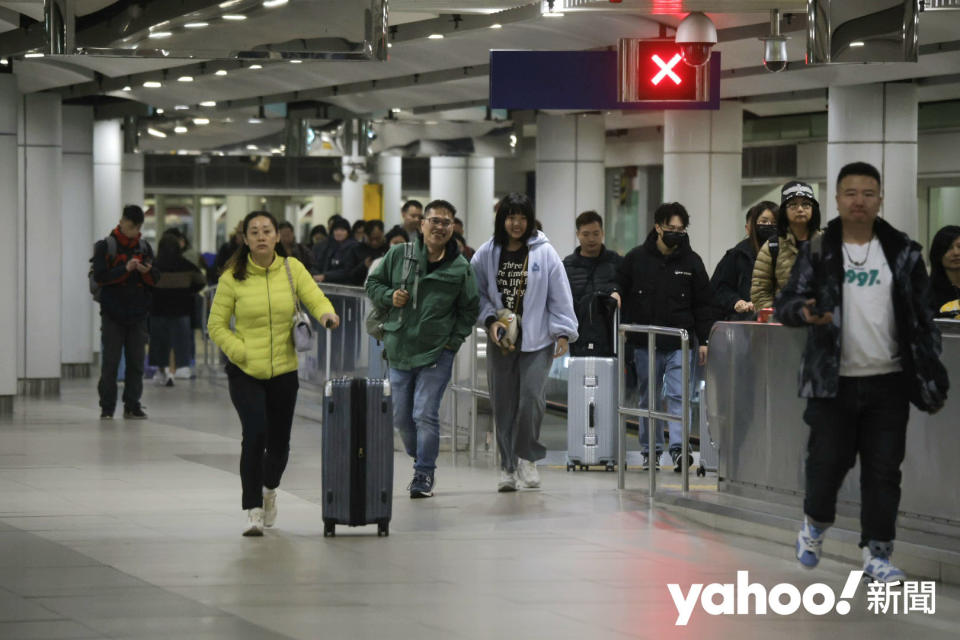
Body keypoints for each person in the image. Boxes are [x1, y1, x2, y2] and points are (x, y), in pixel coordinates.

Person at [776, 162, 949, 583]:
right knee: (827, 467)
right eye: (850, 193)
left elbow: (924, 315)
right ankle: (814, 526)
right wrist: (804, 311)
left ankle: (878, 555)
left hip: (889, 381)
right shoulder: (818, 251)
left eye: (868, 193)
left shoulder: (904, 252)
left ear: (880, 198)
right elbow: (786, 303)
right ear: (837, 200)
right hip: (831, 382)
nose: (859, 201)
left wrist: (928, 362)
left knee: (884, 471)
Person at [208, 210, 340, 537]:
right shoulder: (232, 277)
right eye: (254, 232)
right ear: (246, 239)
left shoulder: (292, 269)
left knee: (279, 442)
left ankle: (269, 491)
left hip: (284, 369)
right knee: (254, 433)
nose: (262, 236)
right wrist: (240, 352)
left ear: (277, 236)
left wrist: (327, 315)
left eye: (267, 230)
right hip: (245, 371)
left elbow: (314, 297)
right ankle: (252, 509)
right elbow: (216, 325)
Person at [366, 200, 479, 498]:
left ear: (452, 228)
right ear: (422, 224)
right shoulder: (399, 255)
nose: (440, 226)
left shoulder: (460, 268)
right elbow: (373, 285)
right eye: (435, 220)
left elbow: (469, 310)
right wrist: (391, 296)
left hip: (436, 353)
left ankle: (424, 474)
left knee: (425, 413)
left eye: (446, 222)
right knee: (401, 416)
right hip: (400, 347)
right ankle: (421, 457)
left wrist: (452, 343)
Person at [472, 193, 578, 492]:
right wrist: (490, 320)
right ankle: (507, 467)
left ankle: (527, 457)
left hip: (538, 340)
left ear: (529, 220)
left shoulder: (545, 253)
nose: (516, 223)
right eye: (510, 217)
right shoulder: (486, 253)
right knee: (503, 404)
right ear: (501, 219)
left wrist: (563, 331)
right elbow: (475, 294)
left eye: (521, 217)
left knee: (531, 399)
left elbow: (559, 295)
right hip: (501, 341)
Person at [616, 203, 715, 472]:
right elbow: (619, 285)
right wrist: (615, 296)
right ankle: (651, 450)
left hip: (680, 342)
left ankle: (680, 449)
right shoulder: (636, 259)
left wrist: (704, 340)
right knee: (648, 397)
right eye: (671, 229)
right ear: (657, 227)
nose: (676, 234)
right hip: (645, 342)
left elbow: (703, 304)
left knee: (679, 395)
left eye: (681, 230)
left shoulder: (692, 262)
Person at [92, 205, 158, 420]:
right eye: (126, 225)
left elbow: (155, 279)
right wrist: (125, 269)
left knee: (136, 362)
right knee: (110, 363)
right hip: (112, 313)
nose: (128, 230)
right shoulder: (105, 246)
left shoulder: (145, 247)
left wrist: (146, 272)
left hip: (138, 314)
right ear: (121, 221)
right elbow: (101, 277)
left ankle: (132, 404)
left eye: (133, 227)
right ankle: (107, 407)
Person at [751, 181, 822, 311]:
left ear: (813, 209)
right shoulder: (773, 246)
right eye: (793, 205)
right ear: (784, 210)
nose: (800, 209)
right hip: (782, 323)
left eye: (806, 204)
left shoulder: (827, 244)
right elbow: (760, 292)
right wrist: (777, 316)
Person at [562, 210, 622, 357]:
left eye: (596, 233)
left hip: (610, 336)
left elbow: (625, 288)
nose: (591, 239)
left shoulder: (617, 262)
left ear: (602, 233)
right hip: (577, 337)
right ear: (578, 234)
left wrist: (616, 291)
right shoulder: (566, 266)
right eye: (586, 234)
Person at [149, 234, 206, 386]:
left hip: (158, 309)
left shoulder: (154, 265)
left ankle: (162, 370)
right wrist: (189, 290)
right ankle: (177, 370)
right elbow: (201, 281)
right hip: (182, 309)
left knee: (160, 342)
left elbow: (145, 283)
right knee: (178, 342)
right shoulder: (186, 264)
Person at [711, 201, 779, 320]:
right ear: (753, 224)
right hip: (744, 323)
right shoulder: (737, 254)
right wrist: (736, 301)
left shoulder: (785, 252)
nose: (769, 225)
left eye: (774, 223)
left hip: (778, 321)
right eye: (764, 221)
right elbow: (720, 289)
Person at [322, 219, 387, 285]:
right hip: (358, 289)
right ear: (365, 235)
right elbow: (348, 274)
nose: (374, 242)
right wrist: (363, 266)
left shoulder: (388, 250)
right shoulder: (355, 249)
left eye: (377, 238)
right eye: (371, 239)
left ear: (382, 234)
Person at [929, 225, 960, 317]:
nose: (956, 253)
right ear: (938, 253)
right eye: (949, 248)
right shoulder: (926, 292)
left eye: (959, 247)